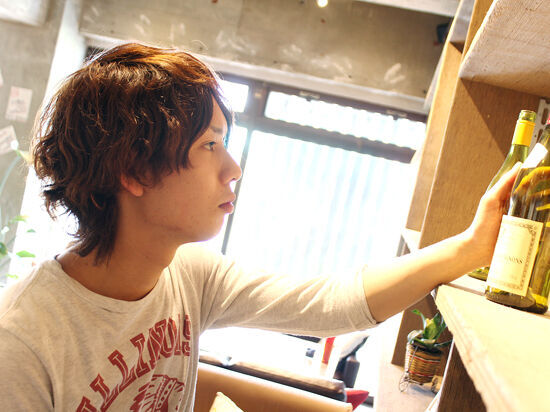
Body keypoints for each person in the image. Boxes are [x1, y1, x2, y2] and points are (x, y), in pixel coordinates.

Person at [0, 43, 518, 411]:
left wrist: (471, 248)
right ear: (133, 171)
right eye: (210, 144)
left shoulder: (188, 273)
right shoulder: (22, 342)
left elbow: (331, 304)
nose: (234, 168)